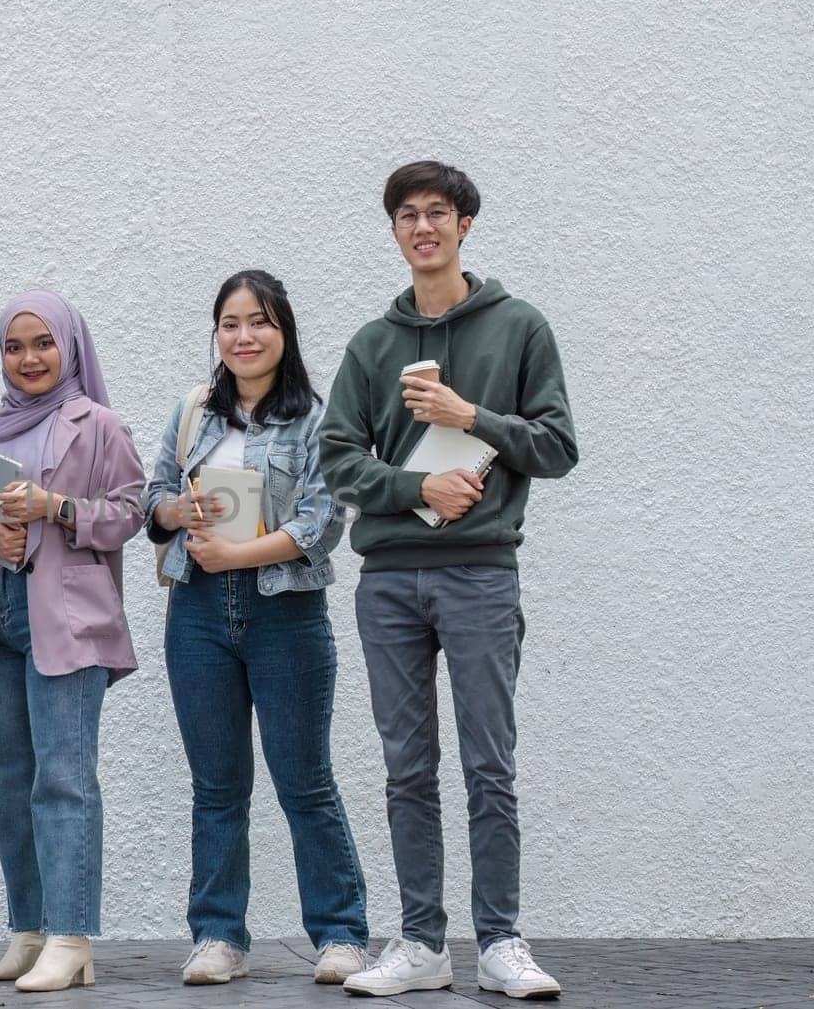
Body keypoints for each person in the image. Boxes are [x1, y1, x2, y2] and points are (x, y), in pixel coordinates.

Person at [320, 161, 577, 999]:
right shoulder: (371, 343)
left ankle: (500, 938)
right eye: (407, 215)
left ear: (465, 223)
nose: (422, 227)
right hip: (390, 580)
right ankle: (423, 942)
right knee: (406, 767)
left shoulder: (521, 327)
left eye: (437, 213)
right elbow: (337, 461)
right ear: (393, 231)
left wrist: (472, 419)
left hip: (480, 573)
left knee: (488, 763)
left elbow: (558, 447)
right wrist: (415, 486)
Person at [143, 270, 369, 986]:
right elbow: (149, 499)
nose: (244, 335)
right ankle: (217, 934)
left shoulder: (318, 419)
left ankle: (339, 933)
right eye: (231, 322)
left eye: (260, 322)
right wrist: (178, 513)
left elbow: (321, 522)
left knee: (305, 782)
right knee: (217, 786)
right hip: (199, 611)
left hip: (285, 612)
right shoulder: (193, 411)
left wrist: (239, 550)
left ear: (284, 332)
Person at [0, 290, 145, 992]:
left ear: (70, 346)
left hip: (69, 619)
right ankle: (28, 926)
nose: (29, 358)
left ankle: (71, 933)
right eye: (14, 346)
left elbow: (130, 508)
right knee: (7, 776)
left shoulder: (99, 422)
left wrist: (57, 509)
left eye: (43, 343)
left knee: (64, 777)